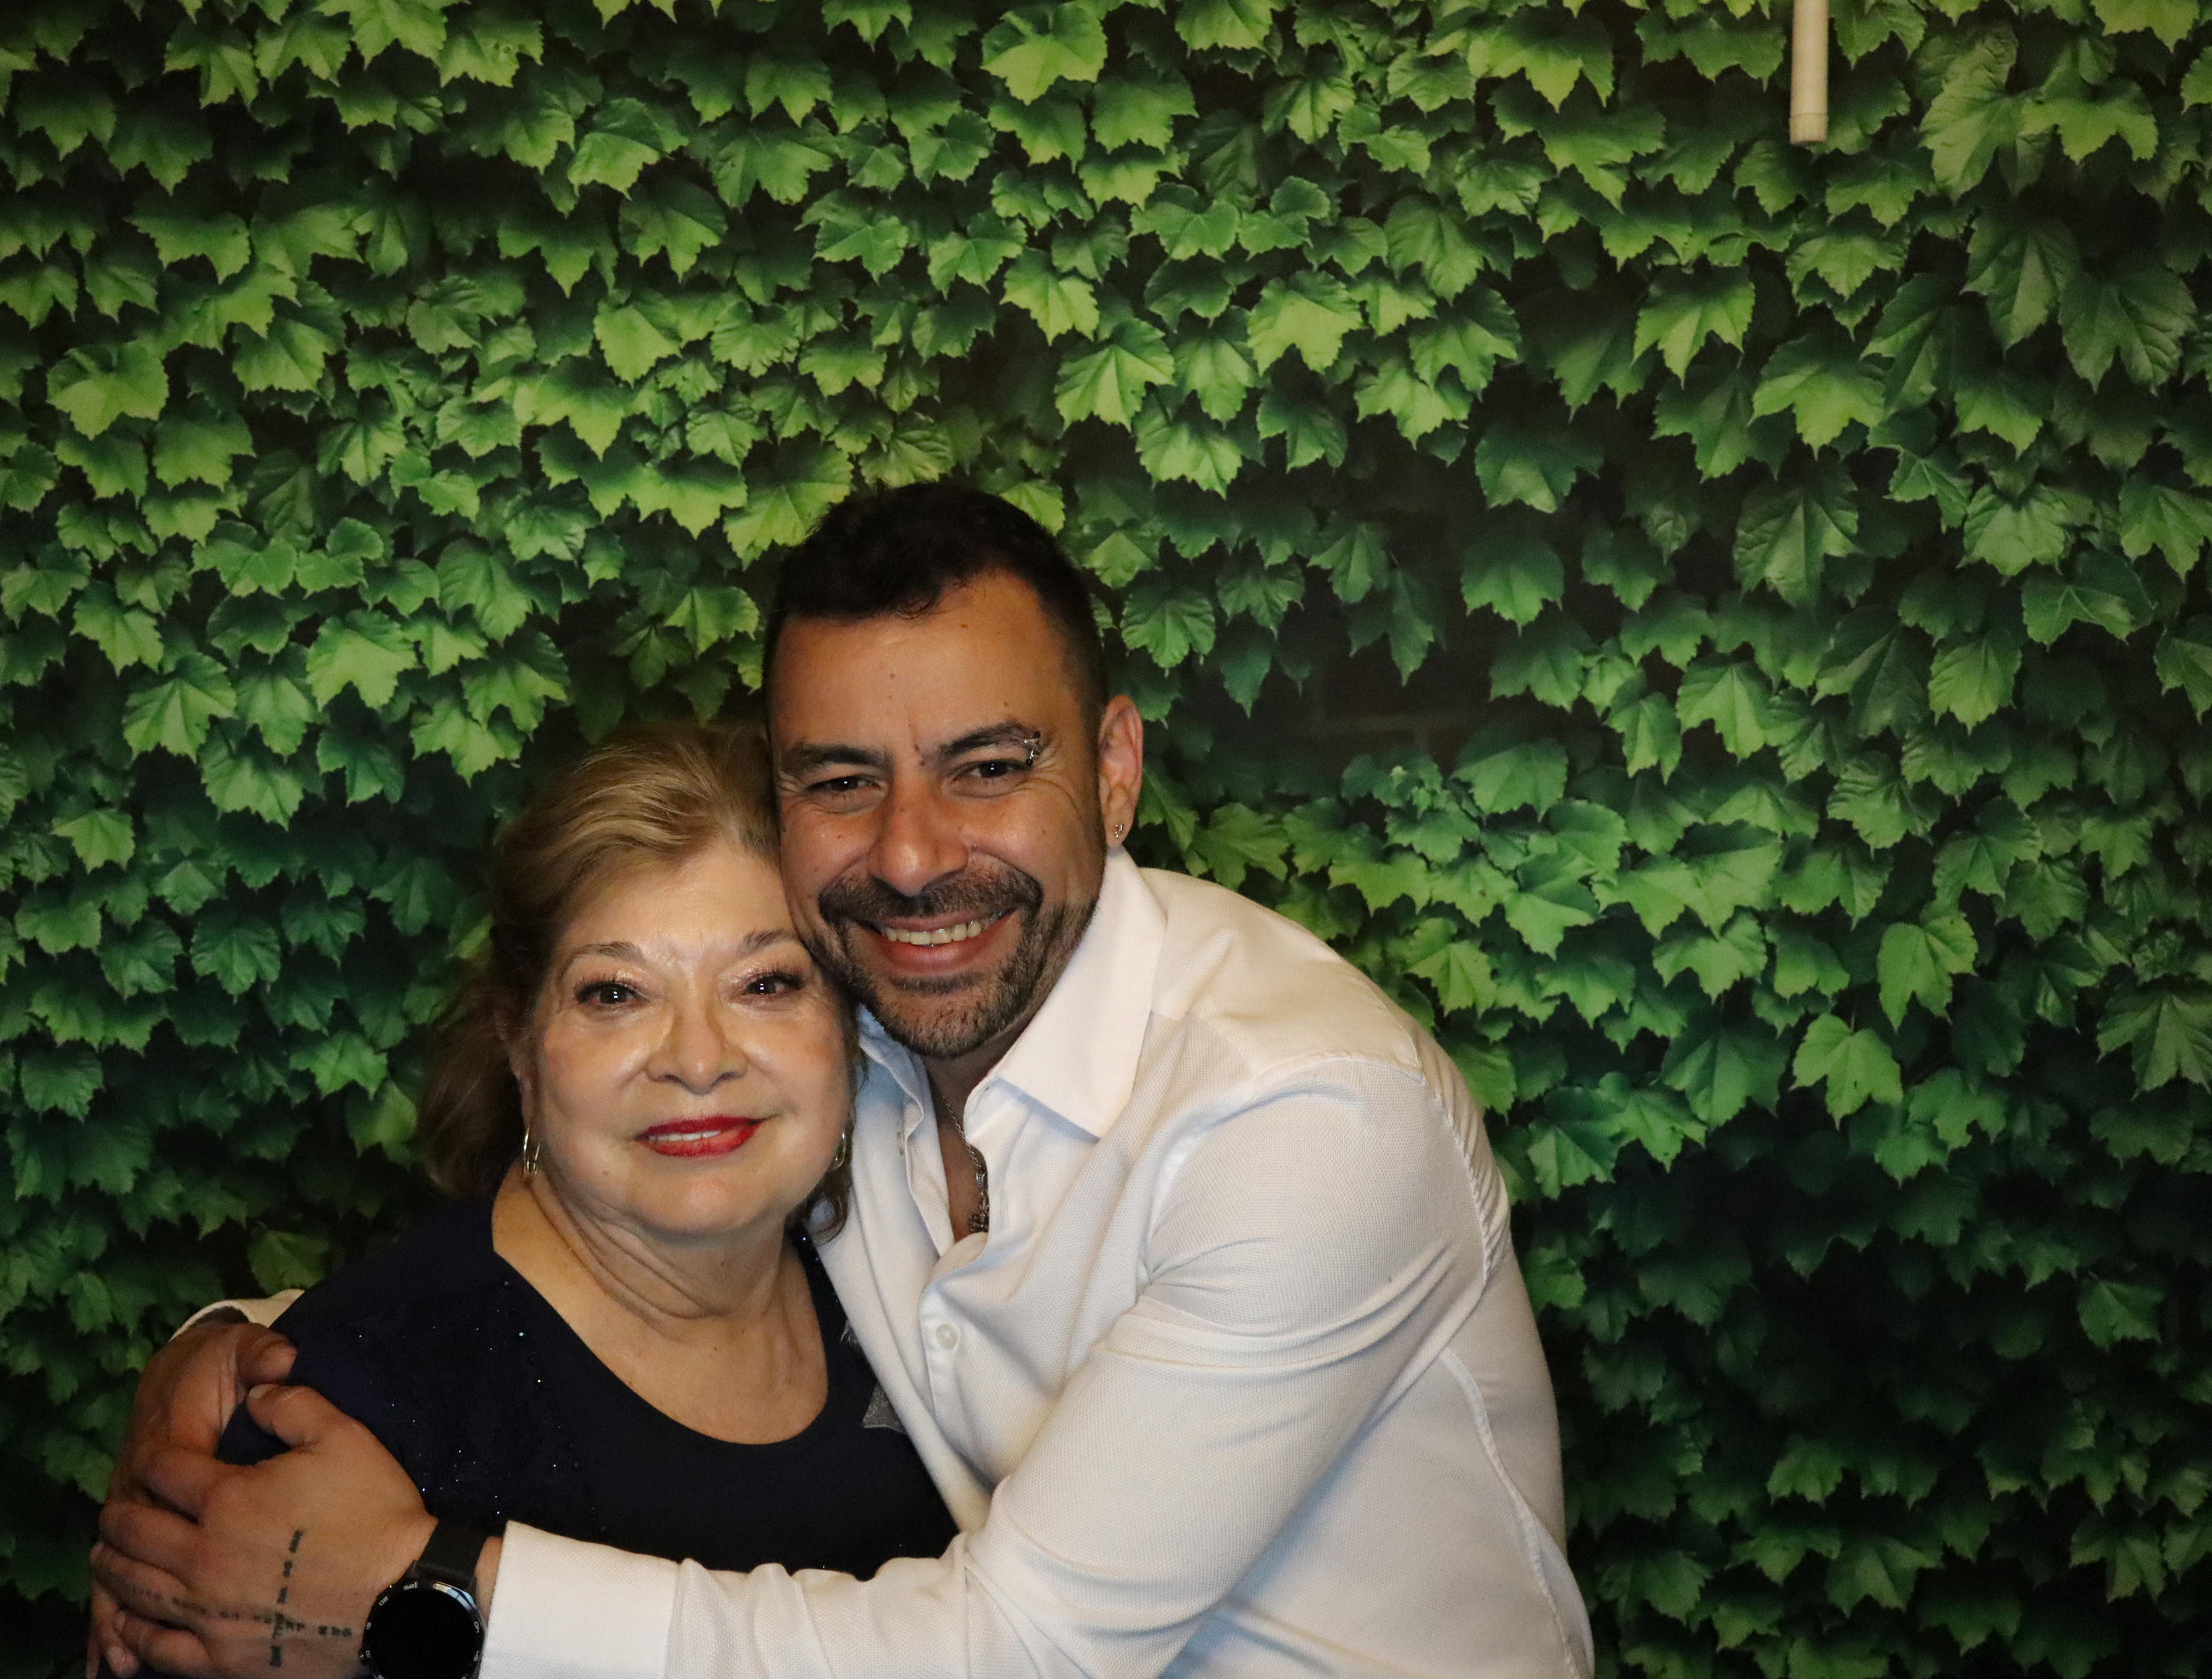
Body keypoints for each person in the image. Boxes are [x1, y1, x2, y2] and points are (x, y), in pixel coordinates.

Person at [94, 483, 1595, 1678]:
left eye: (988, 767)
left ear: (1115, 769)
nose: (914, 855)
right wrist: (246, 1354)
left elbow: (1019, 1653)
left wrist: (437, 1592)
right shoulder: (862, 1032)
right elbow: (636, 1199)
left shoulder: (1307, 1113)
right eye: (841, 780)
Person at [94, 722, 954, 1678]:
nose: (699, 1058)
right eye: (616, 994)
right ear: (518, 1040)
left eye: (766, 982)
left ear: (851, 1025)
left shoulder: (914, 1287)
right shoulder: (336, 1410)